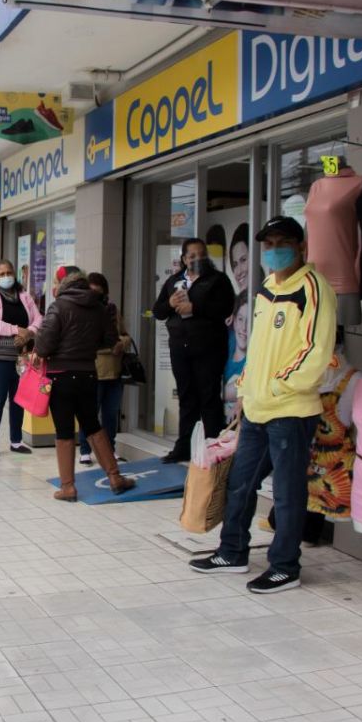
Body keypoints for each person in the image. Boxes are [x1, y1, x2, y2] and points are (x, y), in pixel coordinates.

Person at [190, 216, 337, 594]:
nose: (273, 251)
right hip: (256, 408)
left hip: (290, 412)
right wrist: (246, 388)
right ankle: (232, 551)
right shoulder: (267, 288)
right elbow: (256, 348)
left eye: (281, 243)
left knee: (288, 494)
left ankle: (285, 566)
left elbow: (315, 352)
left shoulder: (313, 289)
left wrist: (276, 386)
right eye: (268, 245)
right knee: (241, 484)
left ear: (301, 246)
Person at [33, 266, 134, 502]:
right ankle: (114, 477)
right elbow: (110, 340)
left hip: (61, 377)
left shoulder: (58, 306)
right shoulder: (99, 308)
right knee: (93, 426)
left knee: (64, 430)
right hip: (89, 374)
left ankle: (68, 487)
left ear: (65, 286)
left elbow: (45, 346)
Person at [152, 238, 236, 463]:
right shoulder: (174, 281)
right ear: (184, 259)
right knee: (187, 397)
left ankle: (213, 447)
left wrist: (195, 307)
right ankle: (184, 447)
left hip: (208, 347)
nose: (197, 260)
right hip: (180, 347)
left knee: (209, 397)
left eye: (201, 255)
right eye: (192, 256)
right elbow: (158, 311)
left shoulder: (217, 280)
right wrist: (169, 303)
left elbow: (226, 307)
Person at [0, 259, 42, 457]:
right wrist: (16, 330)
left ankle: (16, 441)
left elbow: (39, 318)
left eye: (9, 272)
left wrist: (29, 332)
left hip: (21, 357)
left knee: (18, 400)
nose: (6, 276)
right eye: (2, 273)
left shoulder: (24, 296)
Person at [78, 272, 131, 465]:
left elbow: (125, 335)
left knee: (110, 413)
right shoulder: (83, 310)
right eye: (91, 292)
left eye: (99, 293)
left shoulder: (112, 310)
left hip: (115, 371)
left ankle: (110, 449)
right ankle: (85, 450)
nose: (95, 297)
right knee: (90, 413)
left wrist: (121, 343)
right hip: (93, 371)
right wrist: (109, 346)